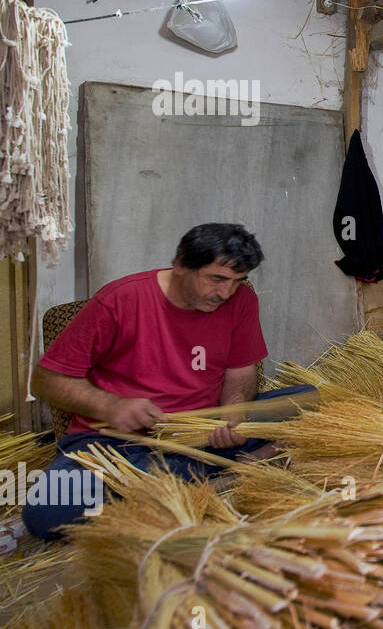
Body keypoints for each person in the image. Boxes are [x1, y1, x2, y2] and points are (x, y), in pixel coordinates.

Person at [23, 223, 308, 539]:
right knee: (46, 512)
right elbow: (47, 379)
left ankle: (180, 478)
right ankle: (216, 471)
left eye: (237, 281)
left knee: (307, 399)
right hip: (117, 444)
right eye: (217, 279)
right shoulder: (120, 300)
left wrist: (231, 417)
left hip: (201, 432)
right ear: (181, 265)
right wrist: (110, 405)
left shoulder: (240, 301)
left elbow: (240, 374)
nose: (225, 293)